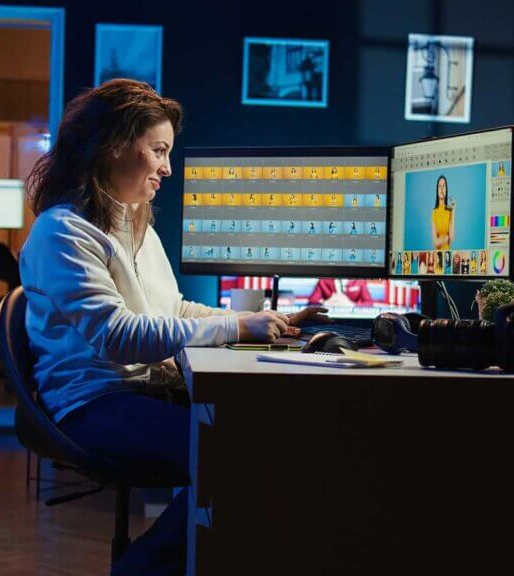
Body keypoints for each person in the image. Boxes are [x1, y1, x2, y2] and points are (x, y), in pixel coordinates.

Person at [21, 79, 326, 576]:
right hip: (95, 402)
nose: (166, 166)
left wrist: (261, 322)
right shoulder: (63, 232)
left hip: (142, 391)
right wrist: (236, 328)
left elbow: (176, 308)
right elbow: (117, 336)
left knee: (269, 435)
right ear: (114, 145)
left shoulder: (133, 221)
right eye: (158, 150)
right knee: (231, 457)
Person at [430, 175, 455, 250]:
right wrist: (447, 238)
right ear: (437, 190)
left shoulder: (450, 210)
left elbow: (452, 238)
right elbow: (435, 242)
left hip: (447, 253)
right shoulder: (434, 212)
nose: (441, 188)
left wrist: (453, 210)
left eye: (444, 186)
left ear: (446, 189)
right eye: (439, 186)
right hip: (437, 255)